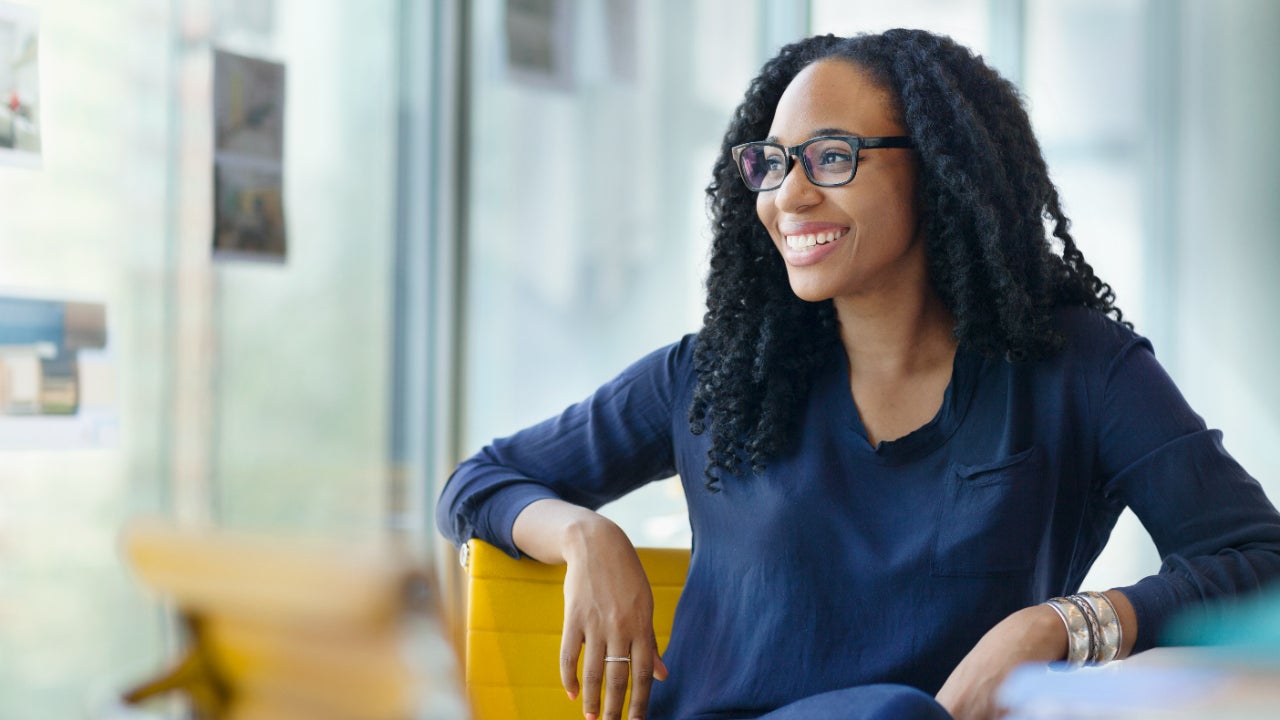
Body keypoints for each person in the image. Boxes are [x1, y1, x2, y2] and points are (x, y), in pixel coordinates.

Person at [436, 29, 1280, 720]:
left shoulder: (1078, 370)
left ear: (942, 173)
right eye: (771, 162)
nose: (788, 196)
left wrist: (1057, 627)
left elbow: (1258, 556)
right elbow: (480, 481)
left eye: (832, 156)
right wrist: (588, 535)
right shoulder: (719, 373)